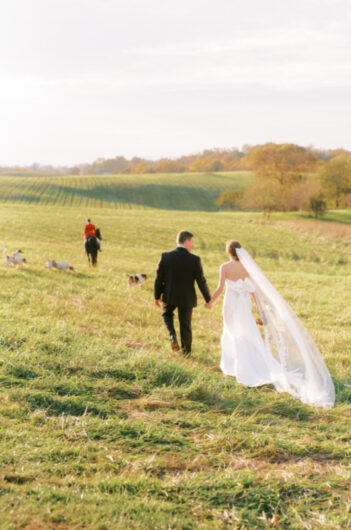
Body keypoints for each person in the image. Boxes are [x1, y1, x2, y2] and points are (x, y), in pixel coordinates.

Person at [206, 240, 335, 408]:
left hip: (230, 305)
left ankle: (233, 366)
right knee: (248, 334)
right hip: (244, 306)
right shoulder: (247, 267)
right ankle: (245, 364)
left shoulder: (225, 267)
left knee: (232, 333)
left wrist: (210, 302)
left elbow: (220, 288)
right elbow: (254, 293)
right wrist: (260, 310)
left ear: (228, 252)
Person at [154, 230, 211, 356]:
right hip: (187, 298)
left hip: (169, 295)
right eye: (191, 242)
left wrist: (157, 296)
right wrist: (208, 299)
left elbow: (158, 278)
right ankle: (186, 352)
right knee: (185, 324)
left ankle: (172, 336)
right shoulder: (194, 260)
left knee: (166, 314)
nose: (192, 245)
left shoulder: (166, 256)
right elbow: (201, 281)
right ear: (186, 241)